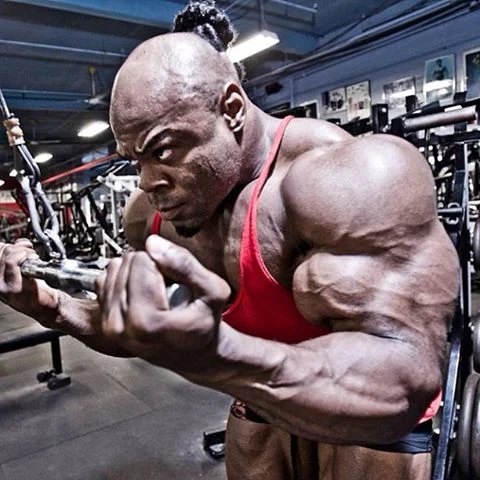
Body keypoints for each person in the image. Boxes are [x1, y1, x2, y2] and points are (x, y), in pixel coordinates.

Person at [0, 1, 459, 479]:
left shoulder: (343, 181)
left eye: (163, 150)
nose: (147, 182)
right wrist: (52, 307)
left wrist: (218, 356)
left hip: (367, 418)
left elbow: (404, 382)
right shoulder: (151, 216)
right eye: (135, 161)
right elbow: (138, 332)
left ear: (233, 109)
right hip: (262, 394)